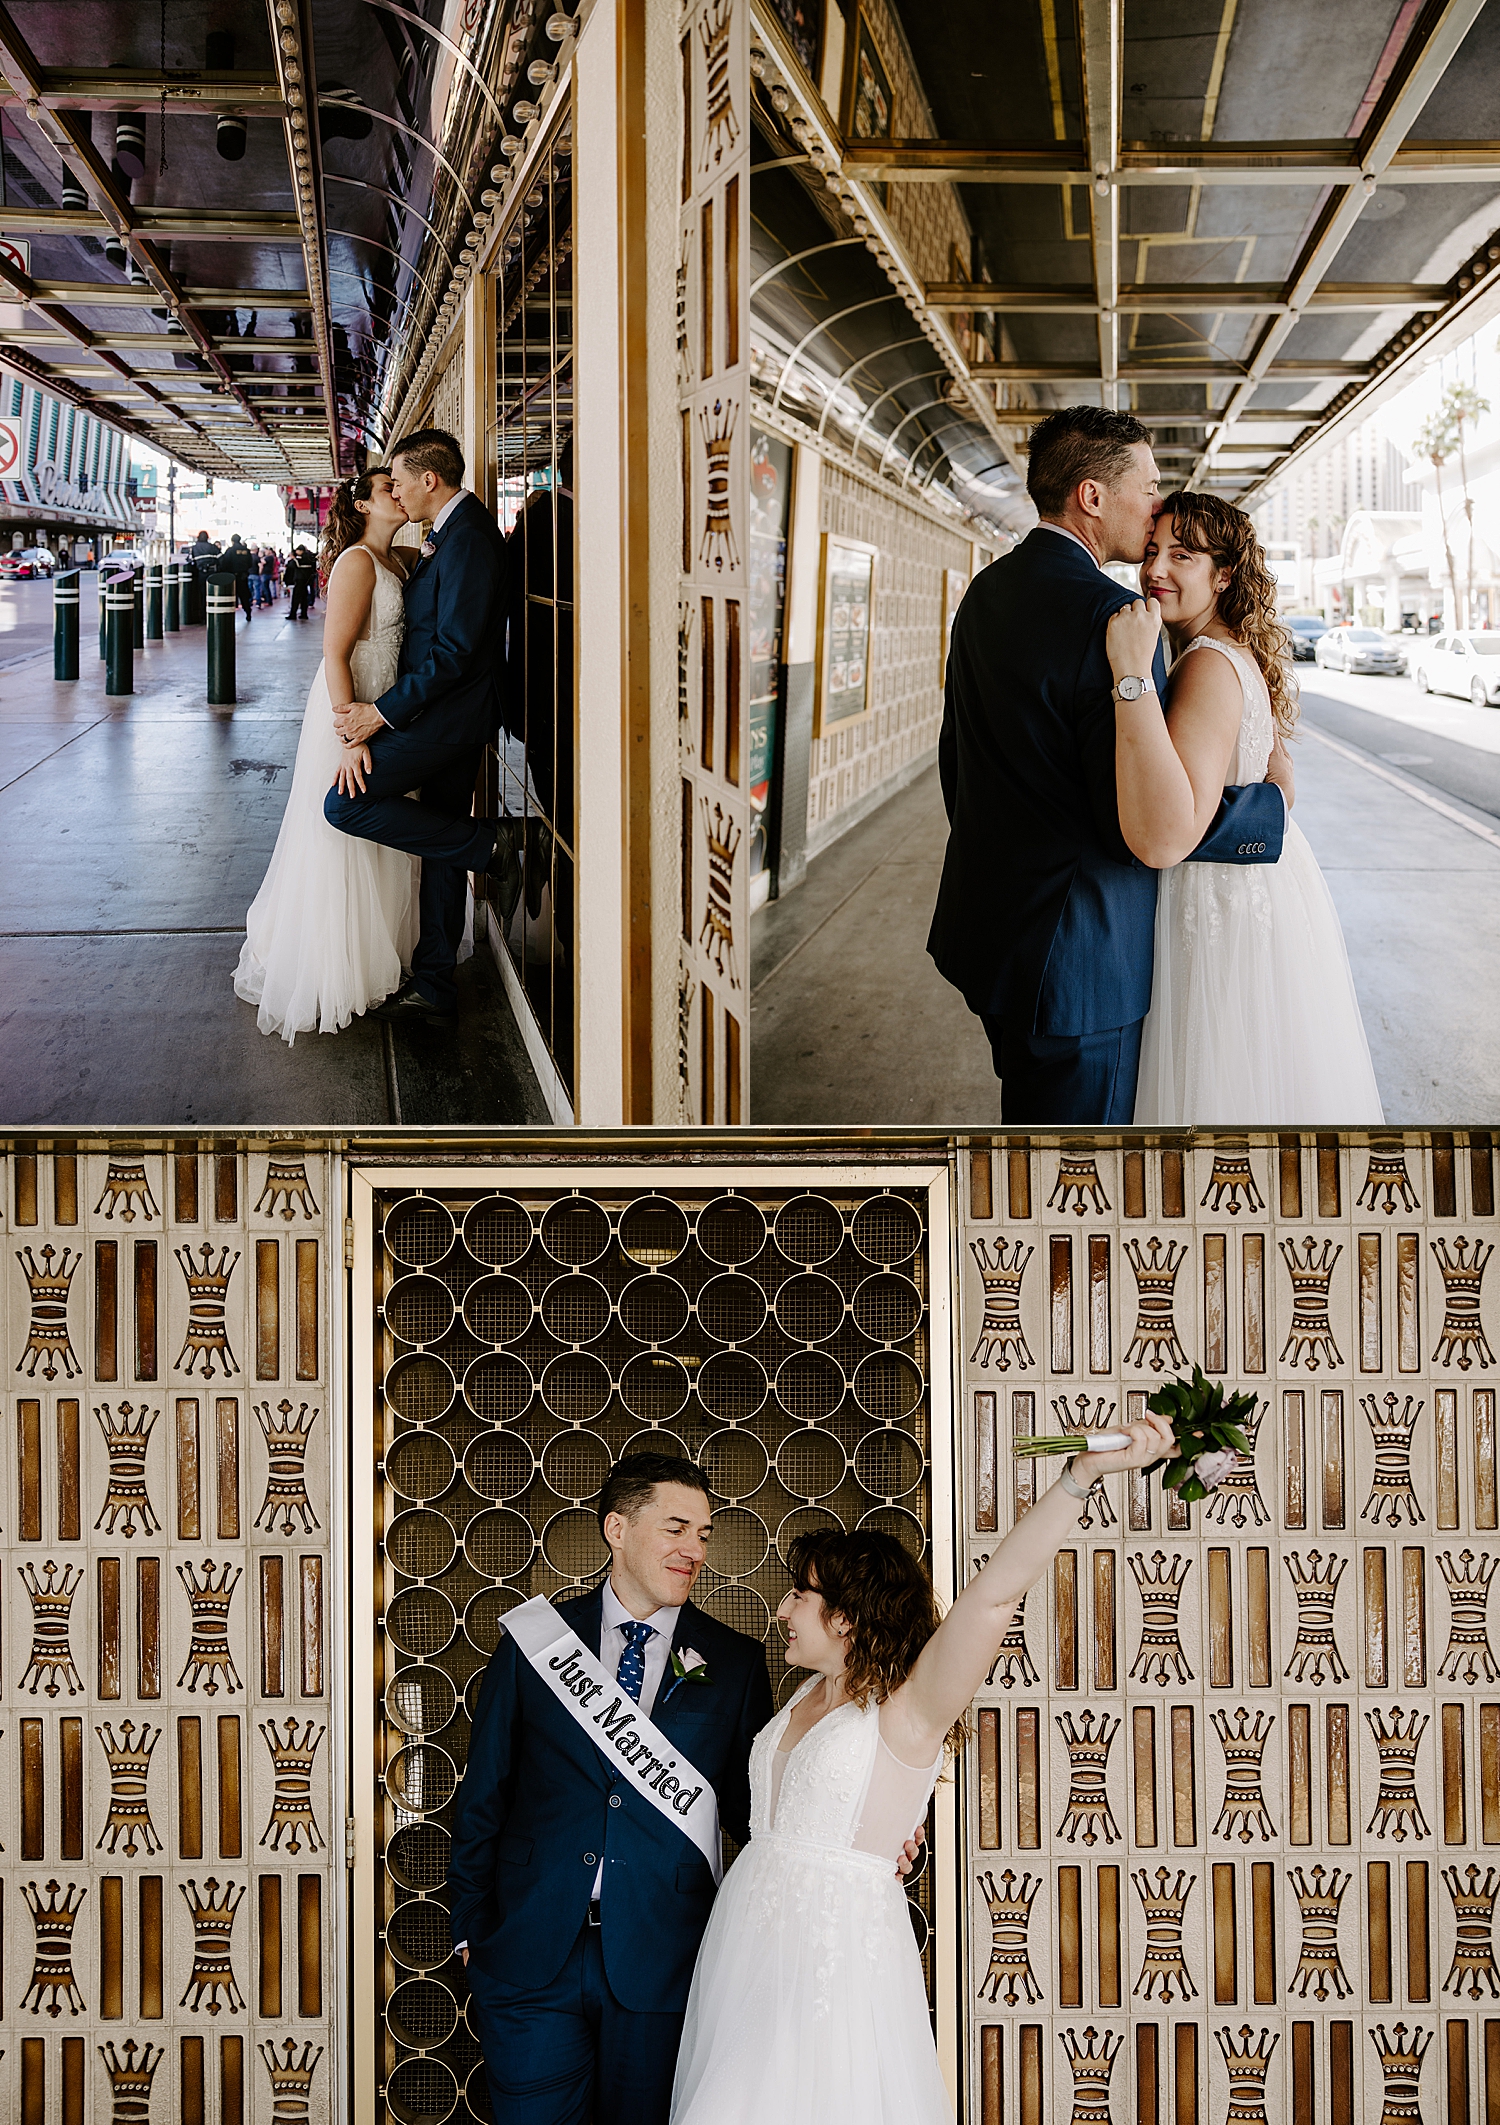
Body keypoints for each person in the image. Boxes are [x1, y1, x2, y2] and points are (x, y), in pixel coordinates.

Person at [669, 1416, 1173, 2125]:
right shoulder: (803, 1698)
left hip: (835, 1959)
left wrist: (1078, 1477)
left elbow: (992, 1599)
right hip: (747, 1949)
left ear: (847, 1616)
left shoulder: (909, 1709)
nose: (781, 1608)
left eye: (799, 1595)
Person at [926, 405, 1289, 1125]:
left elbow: (957, 761)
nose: (1155, 504)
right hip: (1080, 965)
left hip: (989, 935)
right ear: (1093, 496)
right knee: (1076, 1187)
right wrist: (1265, 810)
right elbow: (1134, 813)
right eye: (1148, 486)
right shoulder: (1116, 619)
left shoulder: (984, 593)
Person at [448, 1453, 777, 2125]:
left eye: (704, 1534)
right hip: (531, 1954)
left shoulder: (736, 1660)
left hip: (666, 1957)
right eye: (677, 1528)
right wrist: (471, 1931)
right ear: (617, 1529)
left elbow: (756, 1815)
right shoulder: (535, 1643)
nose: (694, 1550)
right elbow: (486, 1789)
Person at [1110, 492, 1383, 1122]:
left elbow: (1173, 826)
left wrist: (1130, 674)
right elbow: (1282, 782)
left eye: (1184, 555)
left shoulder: (1203, 665)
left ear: (1223, 574)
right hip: (1261, 890)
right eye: (1152, 552)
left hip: (1215, 904)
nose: (1156, 570)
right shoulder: (1232, 650)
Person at [323, 426, 527, 1029]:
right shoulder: (444, 536)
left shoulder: (466, 538)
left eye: (402, 481)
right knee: (441, 839)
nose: (399, 492)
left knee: (345, 806)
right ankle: (436, 980)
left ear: (427, 480)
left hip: (445, 720)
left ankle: (494, 846)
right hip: (442, 713)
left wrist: (379, 713)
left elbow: (458, 651)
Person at [231, 470, 417, 1041]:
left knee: (382, 829)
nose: (400, 493)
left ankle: (375, 952)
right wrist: (351, 735)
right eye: (390, 487)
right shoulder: (357, 562)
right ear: (363, 503)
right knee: (344, 828)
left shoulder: (400, 560)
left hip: (385, 706)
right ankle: (335, 965)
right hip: (351, 706)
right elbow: (335, 653)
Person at [224, 533, 253, 620]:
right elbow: (250, 563)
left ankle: (229, 616)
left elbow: (225, 563)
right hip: (243, 576)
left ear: (232, 541)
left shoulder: (230, 550)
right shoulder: (246, 550)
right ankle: (248, 612)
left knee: (230, 596)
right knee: (244, 596)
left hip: (233, 576)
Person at [286, 545, 316, 620]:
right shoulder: (309, 559)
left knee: (296, 598)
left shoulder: (298, 560)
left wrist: (293, 558)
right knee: (304, 598)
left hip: (299, 580)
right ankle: (304, 614)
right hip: (306, 580)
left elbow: (290, 565)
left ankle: (293, 614)